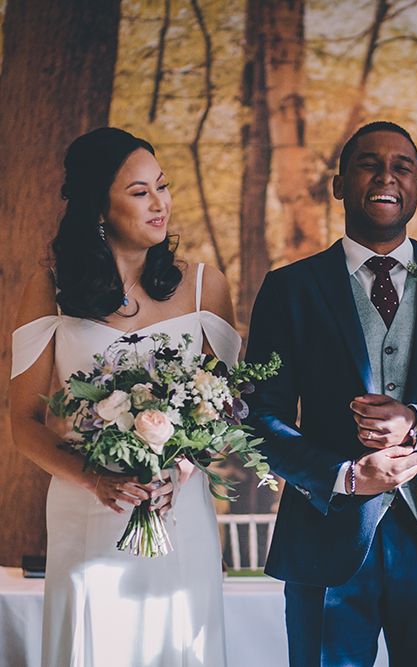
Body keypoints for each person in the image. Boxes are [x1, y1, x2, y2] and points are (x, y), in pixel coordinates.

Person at [245, 121, 417, 666]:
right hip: (326, 539)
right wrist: (345, 476)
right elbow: (261, 417)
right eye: (368, 163)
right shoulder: (290, 289)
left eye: (403, 167)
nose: (386, 176)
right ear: (339, 184)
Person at [10, 127, 239, 666]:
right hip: (84, 509)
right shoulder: (50, 290)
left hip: (178, 510)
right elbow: (22, 421)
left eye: (162, 186)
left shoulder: (207, 287)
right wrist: (93, 479)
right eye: (140, 193)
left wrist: (179, 472)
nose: (161, 204)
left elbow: (226, 412)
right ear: (99, 207)